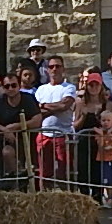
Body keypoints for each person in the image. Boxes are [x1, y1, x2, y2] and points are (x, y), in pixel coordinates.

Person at [32, 57, 77, 190]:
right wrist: (55, 108)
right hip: (44, 134)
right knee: (44, 170)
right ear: (47, 70)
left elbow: (65, 105)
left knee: (64, 170)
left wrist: (44, 105)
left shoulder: (69, 87)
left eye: (58, 66)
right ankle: (44, 198)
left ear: (63, 69)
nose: (54, 69)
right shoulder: (41, 89)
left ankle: (65, 197)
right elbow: (36, 110)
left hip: (63, 134)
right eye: (51, 67)